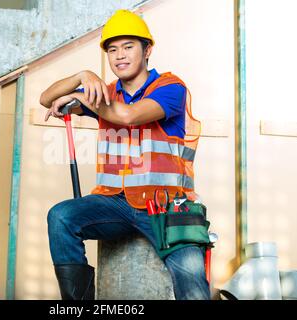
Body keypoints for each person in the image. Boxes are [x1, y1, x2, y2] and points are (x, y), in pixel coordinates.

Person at [39, 9, 209, 300]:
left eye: (129, 46)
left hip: (166, 205)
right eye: (113, 49)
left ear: (147, 50)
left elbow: (129, 116)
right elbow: (46, 98)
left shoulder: (170, 87)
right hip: (113, 202)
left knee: (191, 280)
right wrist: (83, 76)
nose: (120, 55)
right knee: (61, 216)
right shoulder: (105, 93)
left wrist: (83, 97)